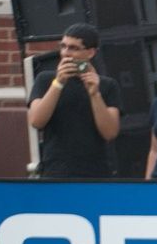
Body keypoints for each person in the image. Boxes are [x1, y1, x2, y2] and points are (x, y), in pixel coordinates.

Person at [28, 23, 120, 178]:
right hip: (56, 171)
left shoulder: (107, 85)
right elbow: (37, 121)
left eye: (73, 48)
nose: (65, 53)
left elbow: (110, 133)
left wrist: (95, 94)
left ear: (90, 52)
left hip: (96, 173)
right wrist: (58, 83)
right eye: (63, 46)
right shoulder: (45, 79)